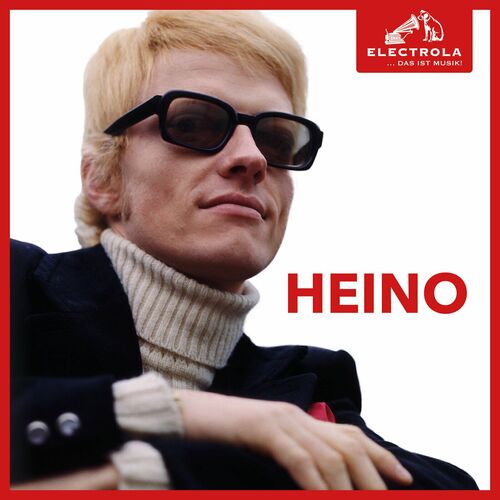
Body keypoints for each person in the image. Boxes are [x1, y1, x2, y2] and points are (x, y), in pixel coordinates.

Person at [10, 10, 478, 490]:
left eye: (276, 139)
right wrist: (175, 413)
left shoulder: (309, 387)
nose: (252, 157)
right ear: (102, 178)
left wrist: (153, 471)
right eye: (193, 124)